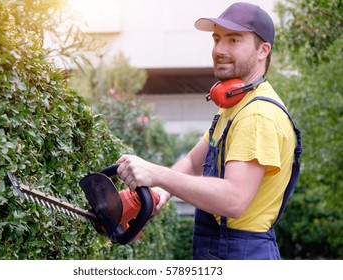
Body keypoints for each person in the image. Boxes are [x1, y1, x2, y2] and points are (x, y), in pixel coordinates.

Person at [116, 2, 302, 260]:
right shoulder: (235, 105)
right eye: (217, 39)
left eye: (234, 40)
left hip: (242, 255)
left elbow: (234, 199)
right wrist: (160, 193)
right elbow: (194, 161)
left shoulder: (258, 115)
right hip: (220, 249)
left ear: (263, 50)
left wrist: (155, 174)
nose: (220, 50)